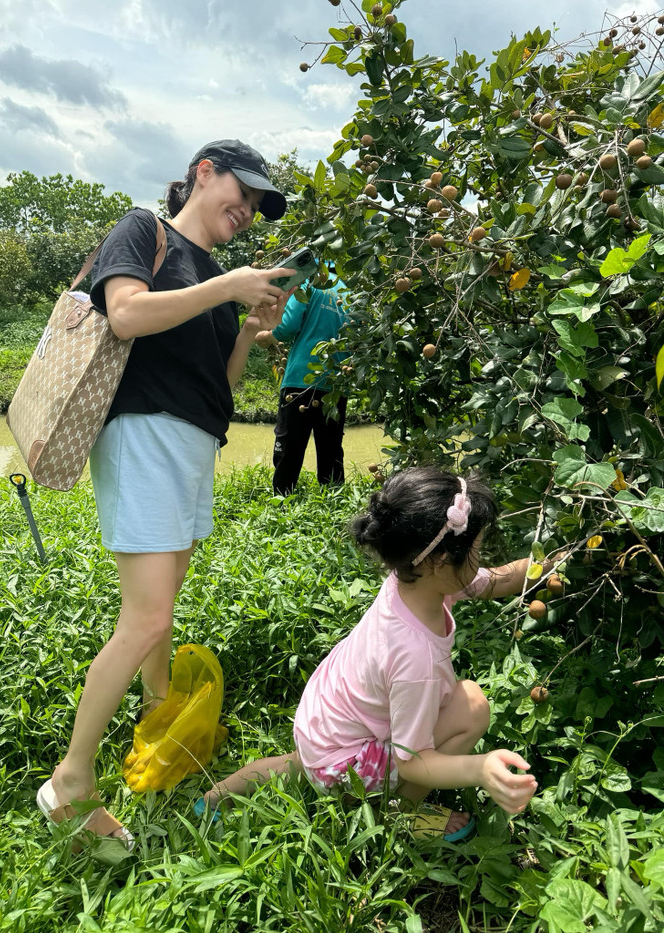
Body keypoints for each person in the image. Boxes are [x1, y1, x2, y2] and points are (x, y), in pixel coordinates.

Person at [36, 139, 297, 858]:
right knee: (147, 616)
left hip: (190, 442)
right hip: (142, 434)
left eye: (258, 207)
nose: (247, 212)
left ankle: (156, 715)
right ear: (203, 173)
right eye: (243, 193)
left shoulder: (217, 276)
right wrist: (226, 288)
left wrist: (249, 330)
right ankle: (70, 781)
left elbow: (218, 382)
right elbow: (125, 315)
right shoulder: (143, 231)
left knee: (164, 604)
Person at [196, 466, 547, 839]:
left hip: (322, 728)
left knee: (300, 764)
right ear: (442, 560)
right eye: (476, 547)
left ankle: (214, 797)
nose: (480, 555)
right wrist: (479, 767)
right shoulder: (416, 658)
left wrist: (548, 563)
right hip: (346, 764)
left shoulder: (410, 576)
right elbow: (413, 763)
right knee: (472, 706)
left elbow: (491, 581)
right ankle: (399, 814)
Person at [254, 272, 349, 495]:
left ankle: (282, 499)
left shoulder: (308, 283)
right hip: (336, 382)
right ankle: (334, 498)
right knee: (331, 449)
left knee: (289, 446)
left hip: (301, 379)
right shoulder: (347, 291)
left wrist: (268, 337)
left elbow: (288, 325)